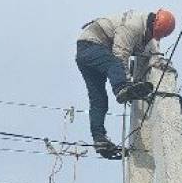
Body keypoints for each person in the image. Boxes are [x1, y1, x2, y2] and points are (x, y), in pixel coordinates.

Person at [75, 9, 176, 159]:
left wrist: (160, 64)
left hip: (85, 54)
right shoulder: (133, 26)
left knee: (99, 100)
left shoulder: (149, 35)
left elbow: (152, 54)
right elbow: (120, 55)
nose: (152, 37)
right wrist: (126, 86)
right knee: (114, 63)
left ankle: (99, 138)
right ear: (152, 24)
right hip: (91, 45)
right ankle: (121, 88)